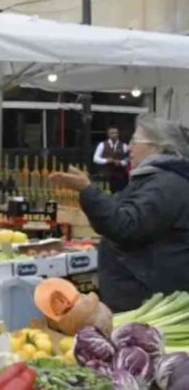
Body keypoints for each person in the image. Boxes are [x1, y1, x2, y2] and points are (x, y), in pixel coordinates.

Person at [51, 114, 189, 312]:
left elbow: (125, 225)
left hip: (147, 299)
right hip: (141, 293)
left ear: (158, 147)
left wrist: (88, 191)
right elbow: (119, 209)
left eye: (135, 141)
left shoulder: (165, 185)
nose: (129, 147)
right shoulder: (153, 179)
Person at [93, 125, 130, 194]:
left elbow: (128, 159)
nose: (115, 135)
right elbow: (95, 158)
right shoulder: (102, 145)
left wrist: (121, 162)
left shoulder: (124, 146)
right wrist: (106, 160)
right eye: (112, 133)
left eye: (116, 133)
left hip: (119, 177)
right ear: (108, 134)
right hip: (105, 176)